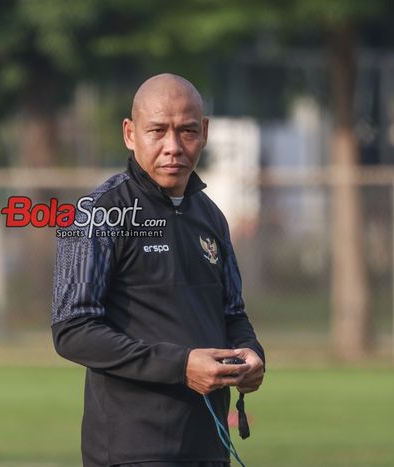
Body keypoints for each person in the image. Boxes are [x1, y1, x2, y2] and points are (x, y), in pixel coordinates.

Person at [51, 73, 265, 467]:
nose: (173, 147)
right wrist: (181, 366)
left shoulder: (211, 216)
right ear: (130, 134)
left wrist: (250, 353)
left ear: (204, 132)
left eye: (186, 131)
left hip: (209, 447)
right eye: (157, 131)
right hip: (133, 449)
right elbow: (72, 330)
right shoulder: (97, 213)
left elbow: (232, 312)